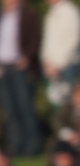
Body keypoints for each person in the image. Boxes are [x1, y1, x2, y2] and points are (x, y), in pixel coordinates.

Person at [0, 0, 42, 156]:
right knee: (10, 110)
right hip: (3, 68)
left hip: (20, 66)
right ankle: (15, 145)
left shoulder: (28, 15)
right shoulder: (1, 16)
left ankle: (32, 146)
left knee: (25, 108)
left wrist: (26, 57)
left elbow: (35, 39)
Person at [40, 0, 80, 108]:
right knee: (56, 105)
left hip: (67, 66)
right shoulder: (52, 12)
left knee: (70, 105)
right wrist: (46, 61)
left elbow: (73, 40)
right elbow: (48, 40)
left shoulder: (70, 11)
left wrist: (57, 64)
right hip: (51, 68)